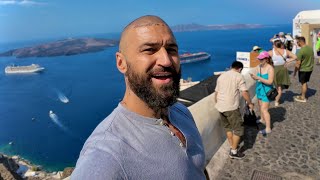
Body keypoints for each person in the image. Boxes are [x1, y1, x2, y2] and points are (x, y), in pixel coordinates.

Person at [71, 15, 206, 179]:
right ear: (121, 63)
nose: (166, 61)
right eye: (149, 50)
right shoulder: (106, 155)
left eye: (171, 50)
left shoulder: (181, 111)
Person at [215, 61, 254, 159]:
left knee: (228, 127)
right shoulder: (239, 76)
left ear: (231, 67)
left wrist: (218, 103)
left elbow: (216, 93)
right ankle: (233, 152)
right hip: (231, 107)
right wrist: (250, 103)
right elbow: (244, 92)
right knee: (239, 129)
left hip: (220, 106)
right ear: (240, 69)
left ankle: (232, 146)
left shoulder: (221, 76)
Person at [250, 51, 275, 135]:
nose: (260, 60)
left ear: (266, 59)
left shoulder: (270, 68)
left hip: (267, 91)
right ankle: (262, 119)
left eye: (261, 59)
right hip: (259, 89)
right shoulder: (259, 66)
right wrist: (254, 77)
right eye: (259, 59)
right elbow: (256, 78)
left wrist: (258, 77)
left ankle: (268, 128)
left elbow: (270, 82)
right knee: (260, 106)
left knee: (264, 109)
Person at [268, 39, 297, 106]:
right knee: (279, 86)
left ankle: (276, 101)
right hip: (283, 69)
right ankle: (277, 99)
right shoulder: (285, 51)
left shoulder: (271, 52)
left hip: (275, 69)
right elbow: (295, 57)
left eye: (273, 44)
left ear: (275, 45)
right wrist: (287, 61)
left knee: (278, 87)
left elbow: (263, 58)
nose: (272, 45)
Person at [293, 36, 314, 103]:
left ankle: (303, 97)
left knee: (303, 83)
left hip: (304, 69)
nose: (297, 43)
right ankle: (303, 94)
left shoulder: (301, 51)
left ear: (301, 42)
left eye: (297, 42)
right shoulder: (310, 48)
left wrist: (295, 72)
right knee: (305, 82)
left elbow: (298, 63)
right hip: (310, 68)